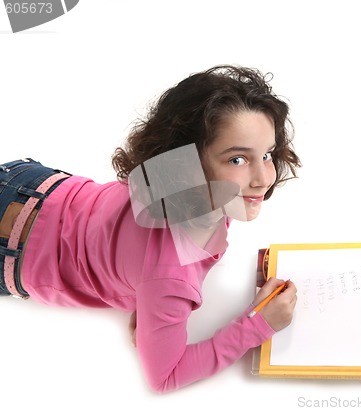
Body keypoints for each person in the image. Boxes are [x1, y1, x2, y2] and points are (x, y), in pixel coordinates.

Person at [0, 65, 301, 393]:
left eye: (267, 154)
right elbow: (165, 377)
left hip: (27, 180)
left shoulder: (173, 180)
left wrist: (145, 298)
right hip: (9, 248)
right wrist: (257, 326)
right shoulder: (170, 278)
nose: (263, 179)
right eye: (237, 160)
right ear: (188, 161)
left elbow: (137, 251)